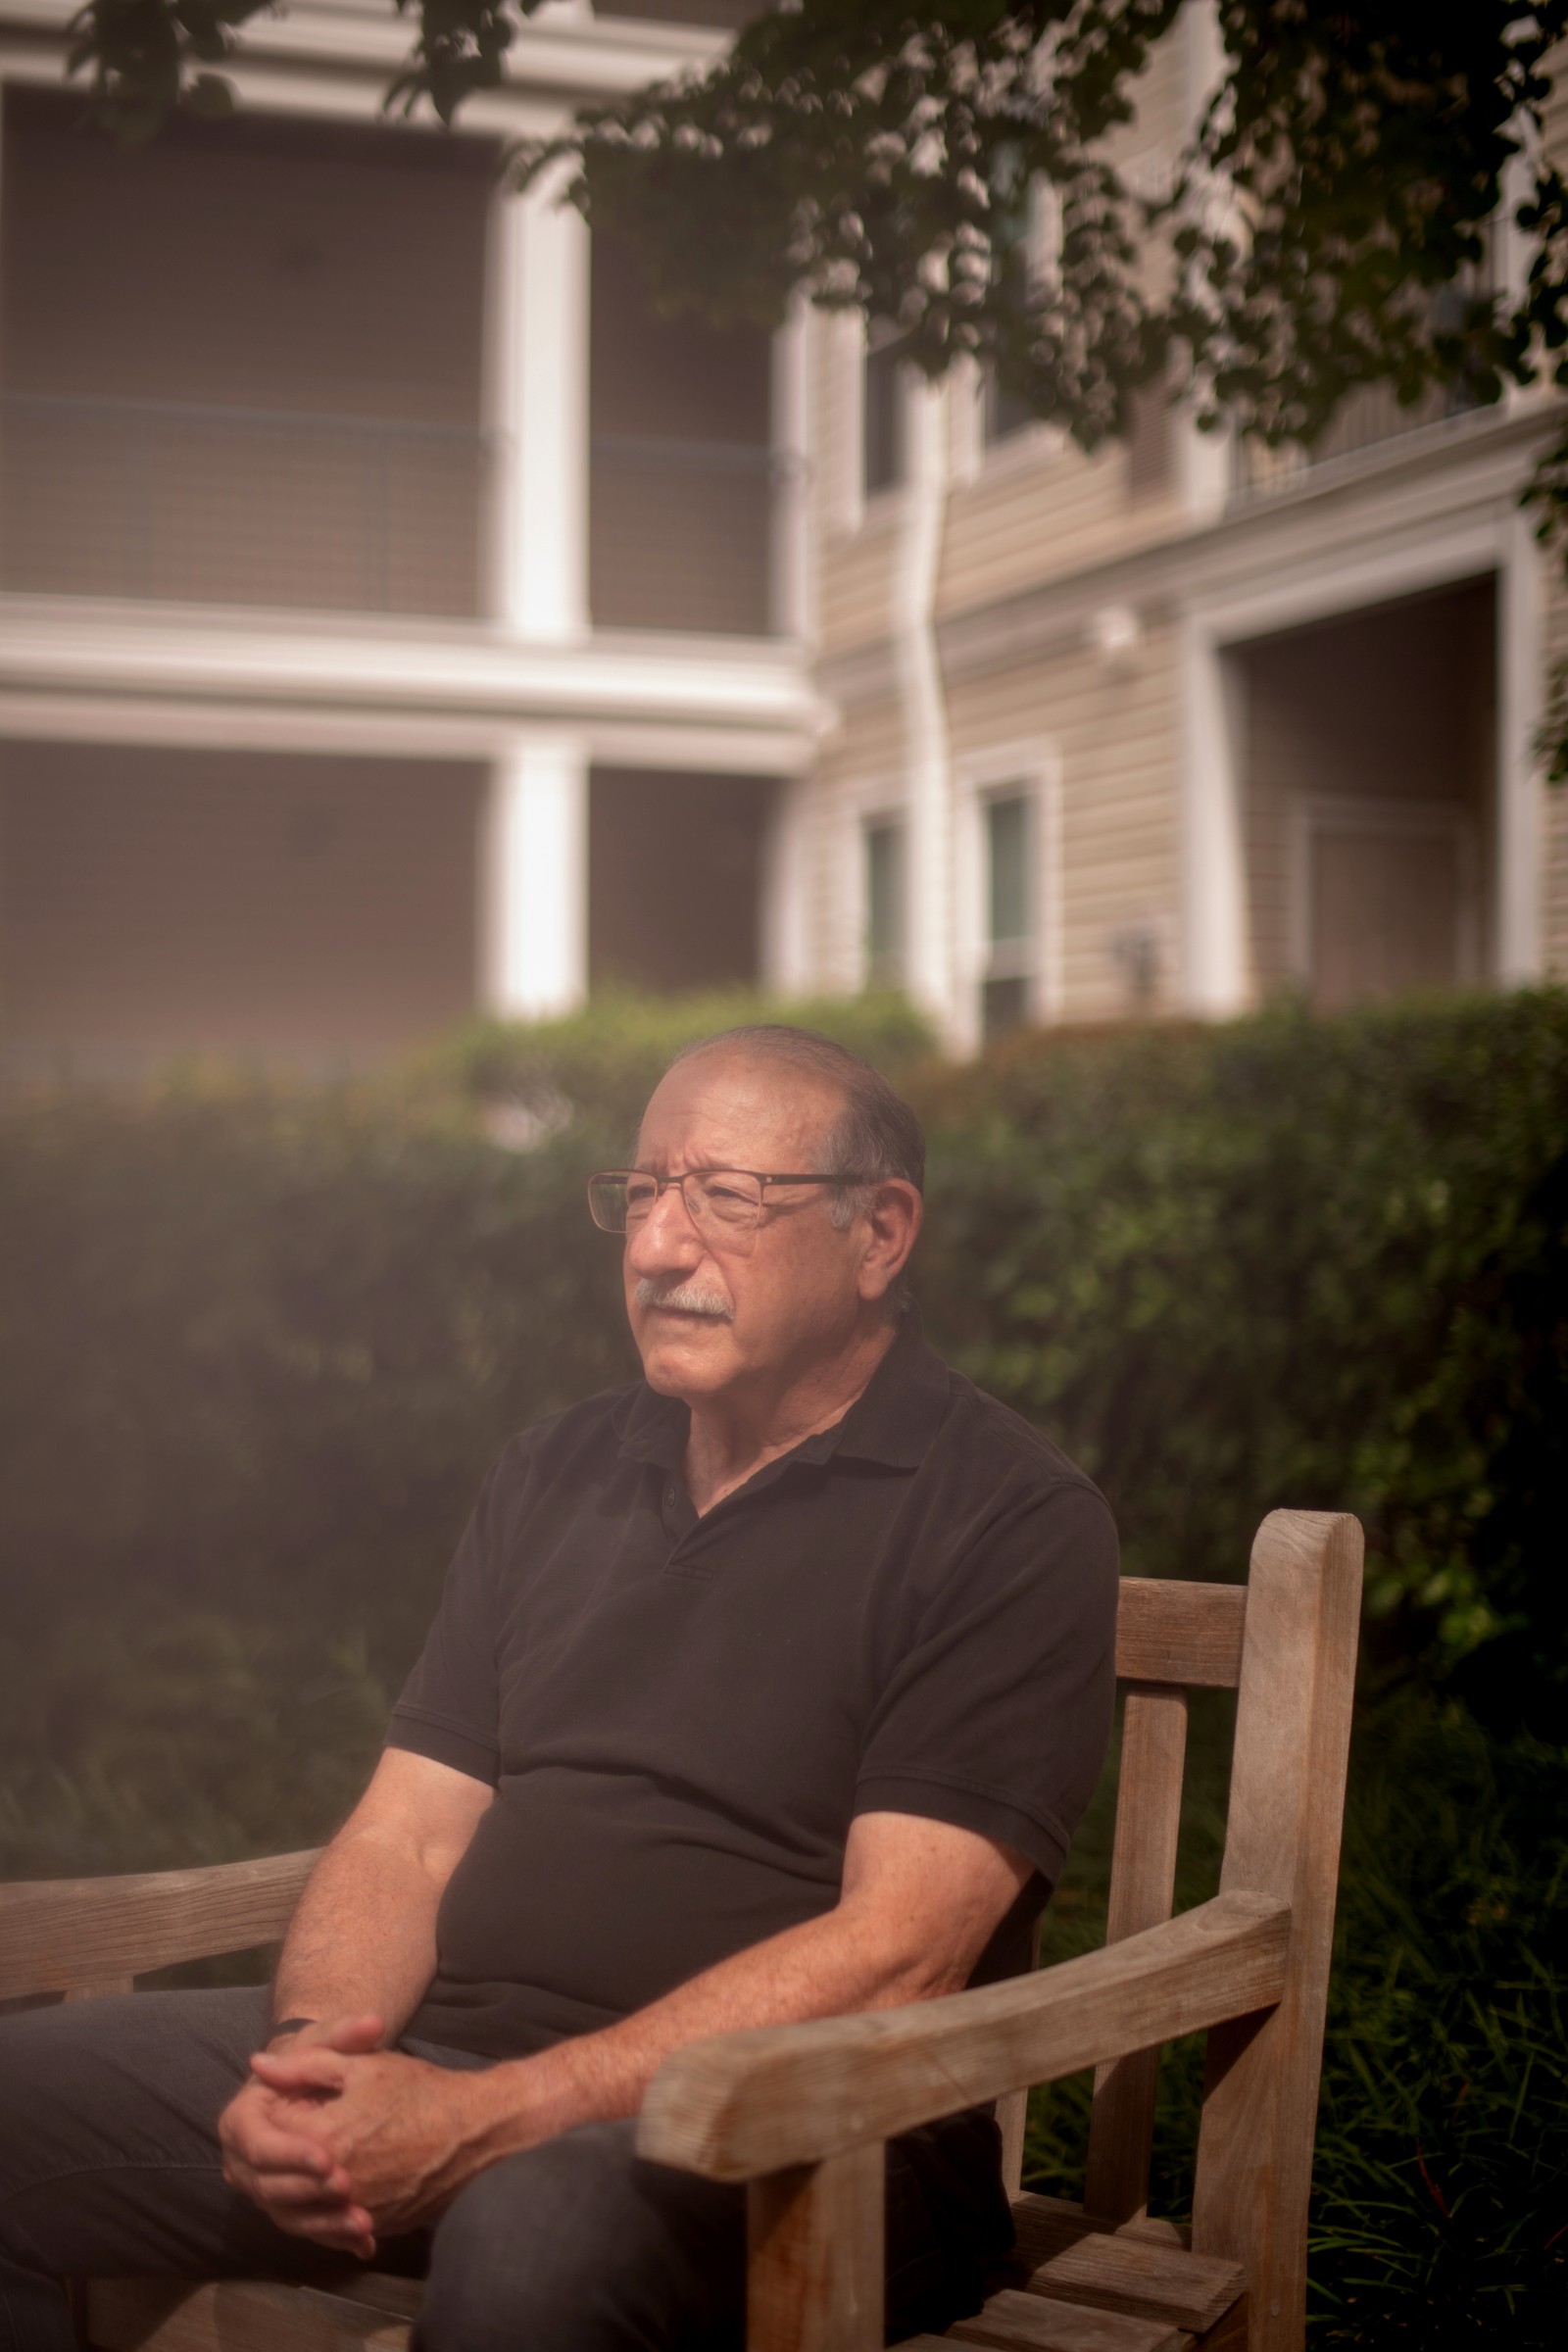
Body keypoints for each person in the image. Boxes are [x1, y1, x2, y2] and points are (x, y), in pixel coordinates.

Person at [0, 1026, 1118, 2351]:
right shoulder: (560, 1469)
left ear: (880, 1236)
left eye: (723, 1197)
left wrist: (496, 2117)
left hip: (801, 2132)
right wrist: (322, 2065)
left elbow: (899, 1955)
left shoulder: (1005, 1517)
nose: (656, 1248)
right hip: (451, 2062)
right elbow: (409, 1831)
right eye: (642, 1194)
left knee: (532, 2234)